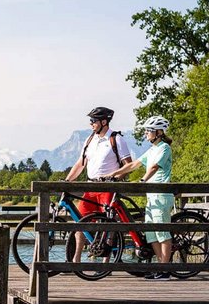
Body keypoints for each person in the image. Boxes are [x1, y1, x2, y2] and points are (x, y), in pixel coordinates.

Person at [65, 106, 132, 261]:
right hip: (90, 187)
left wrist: (115, 179)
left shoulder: (116, 139)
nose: (91, 124)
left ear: (104, 122)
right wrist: (67, 181)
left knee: (107, 224)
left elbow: (128, 165)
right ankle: (76, 260)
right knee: (81, 222)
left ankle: (105, 262)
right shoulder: (90, 140)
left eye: (93, 121)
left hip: (108, 187)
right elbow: (80, 164)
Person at [111, 115, 173, 279]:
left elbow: (154, 167)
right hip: (151, 197)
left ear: (158, 132)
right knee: (152, 234)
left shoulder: (164, 148)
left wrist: (143, 180)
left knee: (162, 233)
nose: (146, 134)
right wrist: (113, 174)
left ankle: (165, 270)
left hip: (161, 195)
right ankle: (160, 267)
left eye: (148, 131)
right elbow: (133, 165)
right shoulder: (152, 149)